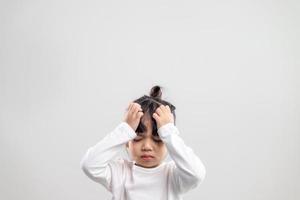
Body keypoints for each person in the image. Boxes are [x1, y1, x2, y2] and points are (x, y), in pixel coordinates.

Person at [80, 85, 206, 200]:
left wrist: (168, 132)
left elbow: (196, 174)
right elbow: (89, 164)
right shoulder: (120, 173)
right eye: (138, 138)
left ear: (168, 143)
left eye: (157, 139)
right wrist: (125, 129)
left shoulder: (173, 176)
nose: (147, 146)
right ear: (126, 141)